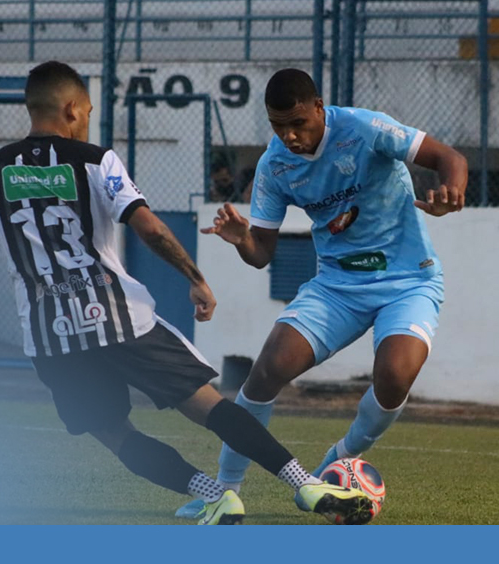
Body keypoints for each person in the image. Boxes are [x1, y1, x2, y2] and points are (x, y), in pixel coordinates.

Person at [0, 60, 373, 525]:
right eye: (88, 112)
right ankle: (306, 485)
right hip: (119, 319)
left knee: (116, 435)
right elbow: (149, 228)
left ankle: (212, 494)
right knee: (210, 406)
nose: (87, 121)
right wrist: (194, 278)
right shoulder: (96, 160)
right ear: (72, 109)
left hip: (51, 337)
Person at [176, 67, 468, 518]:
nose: (290, 136)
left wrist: (451, 191)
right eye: (278, 126)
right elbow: (261, 254)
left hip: (409, 281)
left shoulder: (364, 128)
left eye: (298, 123)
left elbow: (450, 158)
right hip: (337, 286)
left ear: (318, 108)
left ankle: (338, 460)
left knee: (394, 376)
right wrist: (243, 239)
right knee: (268, 369)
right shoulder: (274, 165)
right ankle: (224, 489)